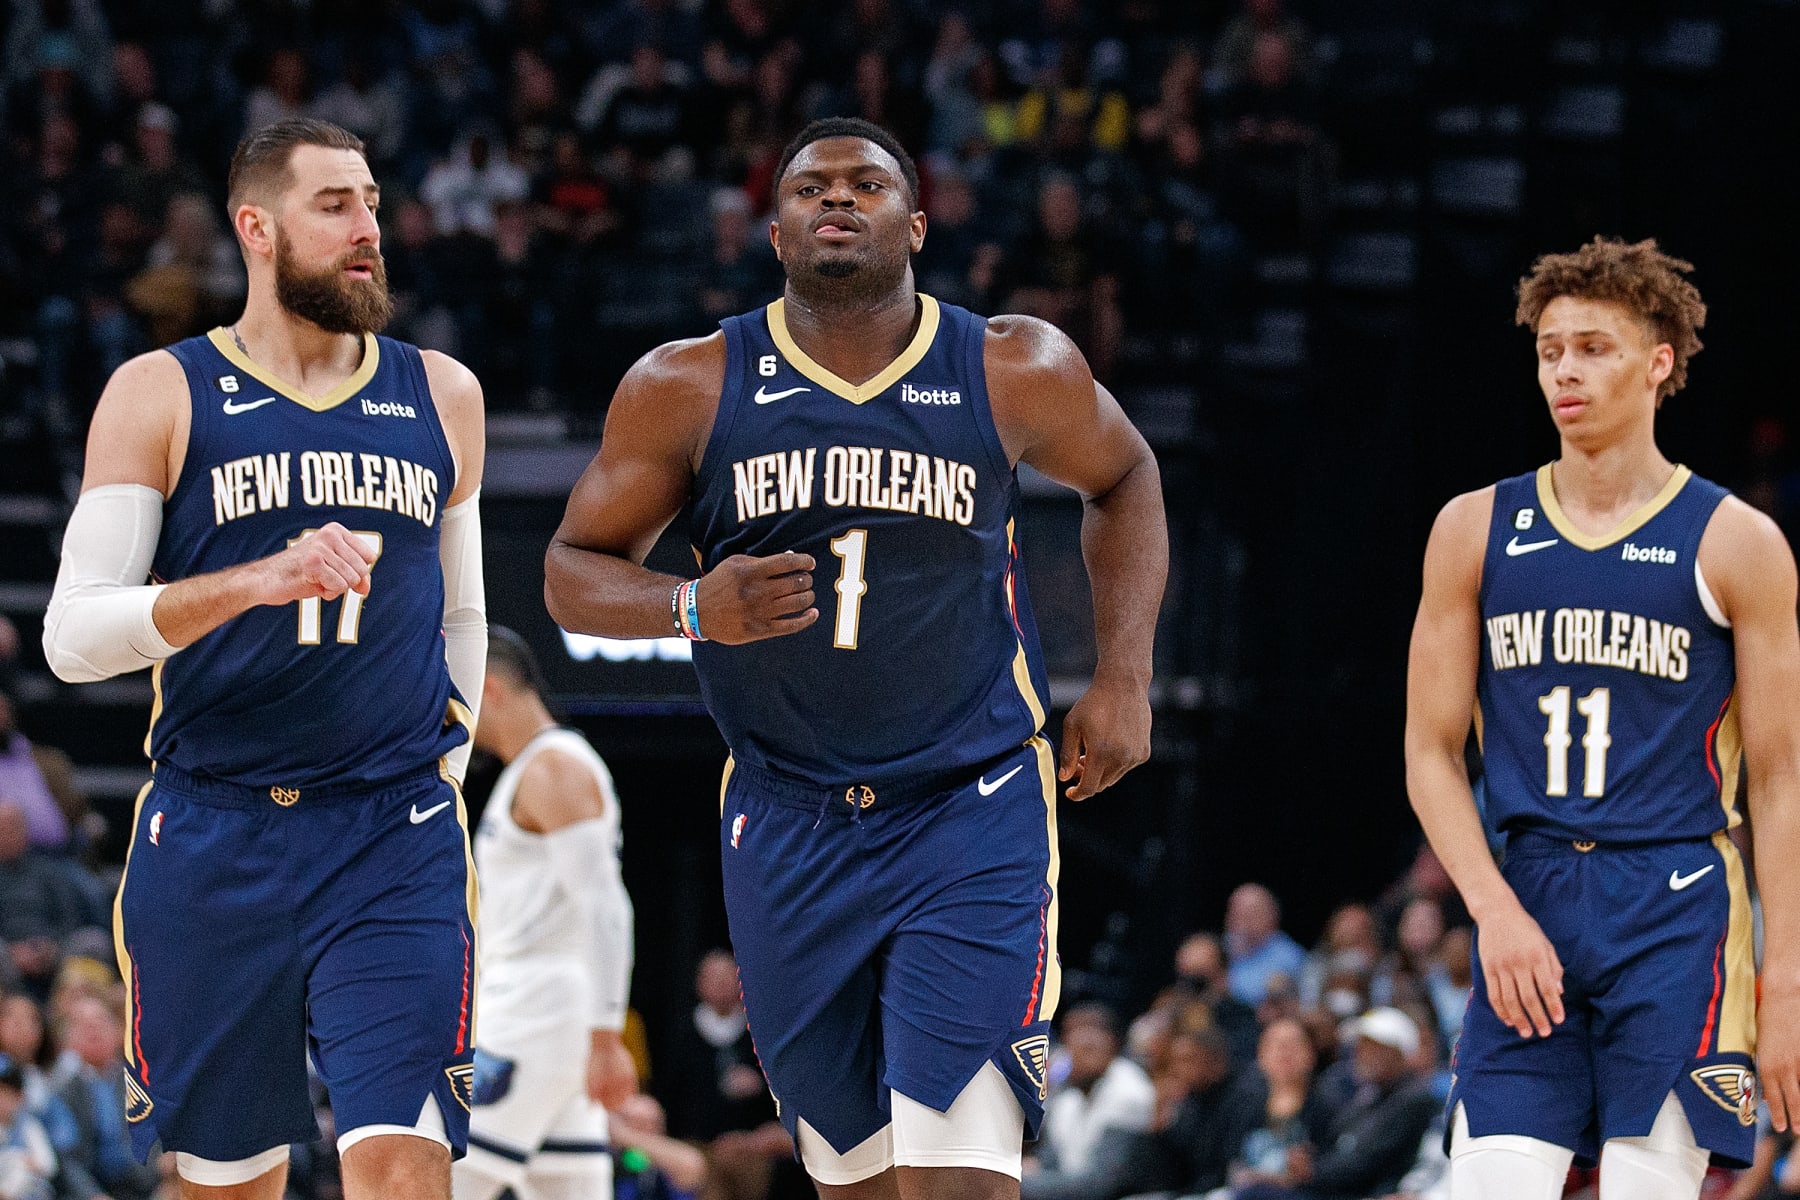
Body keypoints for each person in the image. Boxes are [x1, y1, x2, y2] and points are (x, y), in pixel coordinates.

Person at [545, 115, 1167, 1199]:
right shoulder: (686, 384)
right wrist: (692, 606)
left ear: (916, 224)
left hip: (968, 803)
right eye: (809, 188)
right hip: (789, 817)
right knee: (856, 1184)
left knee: (959, 1176)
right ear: (775, 232)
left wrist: (1122, 678)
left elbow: (1126, 478)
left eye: (867, 184)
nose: (837, 197)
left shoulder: (1011, 363)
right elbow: (569, 571)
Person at [39, 117, 488, 1200]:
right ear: (256, 227)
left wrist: (450, 760)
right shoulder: (162, 391)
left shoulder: (442, 393)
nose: (367, 227)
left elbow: (463, 616)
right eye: (334, 205)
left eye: (372, 201)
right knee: (229, 1184)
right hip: (214, 830)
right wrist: (253, 581)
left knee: (404, 1163)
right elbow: (72, 636)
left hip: (393, 834)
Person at [1405, 236, 1800, 1199]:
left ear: (1658, 362)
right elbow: (1428, 750)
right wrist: (1492, 910)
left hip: (1677, 903)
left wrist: (1785, 981)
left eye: (1593, 347)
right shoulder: (1473, 527)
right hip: (1530, 893)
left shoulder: (1737, 542)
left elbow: (1782, 780)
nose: (1565, 371)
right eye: (1550, 350)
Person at [453, 626, 636, 1200]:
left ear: (491, 688)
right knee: (569, 1189)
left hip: (535, 1011)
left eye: (461, 699)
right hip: (554, 1017)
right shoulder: (540, 767)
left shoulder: (551, 770)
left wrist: (607, 1037)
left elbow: (606, 907)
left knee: (442, 1181)